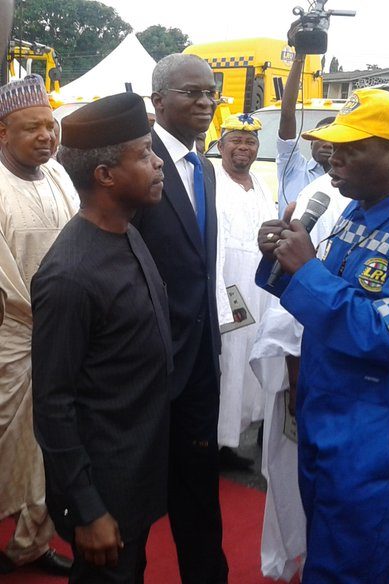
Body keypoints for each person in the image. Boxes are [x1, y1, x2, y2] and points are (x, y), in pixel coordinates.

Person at [256, 88, 389, 583]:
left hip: (378, 432)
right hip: (328, 413)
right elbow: (327, 302)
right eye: (334, 147)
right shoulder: (358, 208)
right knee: (326, 553)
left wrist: (308, 271)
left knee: (350, 567)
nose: (334, 159)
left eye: (351, 149)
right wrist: (282, 259)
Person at [31, 92, 171, 583]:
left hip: (138, 472)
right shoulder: (69, 275)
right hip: (103, 488)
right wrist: (88, 510)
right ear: (105, 175)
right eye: (144, 154)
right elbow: (53, 404)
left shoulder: (129, 233)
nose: (158, 164)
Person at [131, 53, 228, 583]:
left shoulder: (204, 168)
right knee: (138, 501)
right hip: (146, 363)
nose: (205, 102)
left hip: (199, 364)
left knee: (200, 494)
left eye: (211, 93)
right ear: (159, 101)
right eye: (193, 93)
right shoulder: (136, 164)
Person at [0, 74, 76, 576]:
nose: (46, 137)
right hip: (11, 338)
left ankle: (30, 542)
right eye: (32, 129)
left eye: (50, 127)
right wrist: (44, 320)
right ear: (3, 134)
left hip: (62, 334)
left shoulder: (59, 177)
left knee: (53, 444)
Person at [214, 113, 277, 469]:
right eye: (236, 140)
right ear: (220, 145)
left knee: (252, 358)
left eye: (250, 141)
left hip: (259, 288)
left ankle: (232, 442)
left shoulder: (262, 186)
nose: (243, 147)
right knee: (227, 360)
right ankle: (213, 442)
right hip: (227, 286)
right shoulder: (212, 180)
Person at [276, 23, 334, 215]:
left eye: (334, 140)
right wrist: (300, 56)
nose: (327, 144)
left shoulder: (354, 182)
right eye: (321, 138)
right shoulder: (293, 167)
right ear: (310, 144)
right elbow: (287, 114)